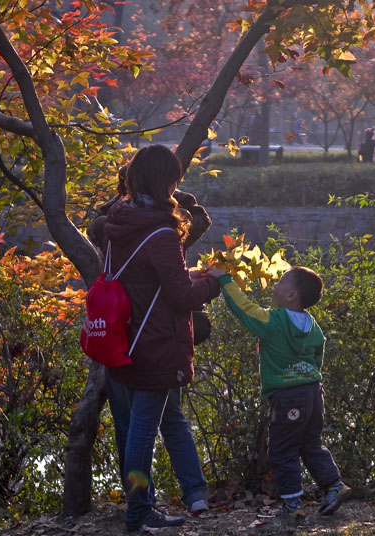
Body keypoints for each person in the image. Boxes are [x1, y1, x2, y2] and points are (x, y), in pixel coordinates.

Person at [101, 144, 221, 532]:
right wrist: (213, 285)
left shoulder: (117, 221)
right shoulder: (162, 232)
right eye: (174, 180)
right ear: (165, 180)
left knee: (133, 428)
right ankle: (138, 510)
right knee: (143, 431)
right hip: (153, 345)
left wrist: (189, 276)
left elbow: (145, 281)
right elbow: (181, 298)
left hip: (122, 338)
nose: (176, 187)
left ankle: (145, 505)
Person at [205, 264, 351, 521]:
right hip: (313, 392)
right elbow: (319, 354)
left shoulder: (273, 321)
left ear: (292, 295)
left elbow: (245, 309)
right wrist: (308, 377)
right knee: (311, 444)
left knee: (282, 450)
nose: (275, 285)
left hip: (287, 397)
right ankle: (334, 486)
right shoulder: (312, 326)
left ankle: (292, 505)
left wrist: (225, 280)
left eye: (281, 282)